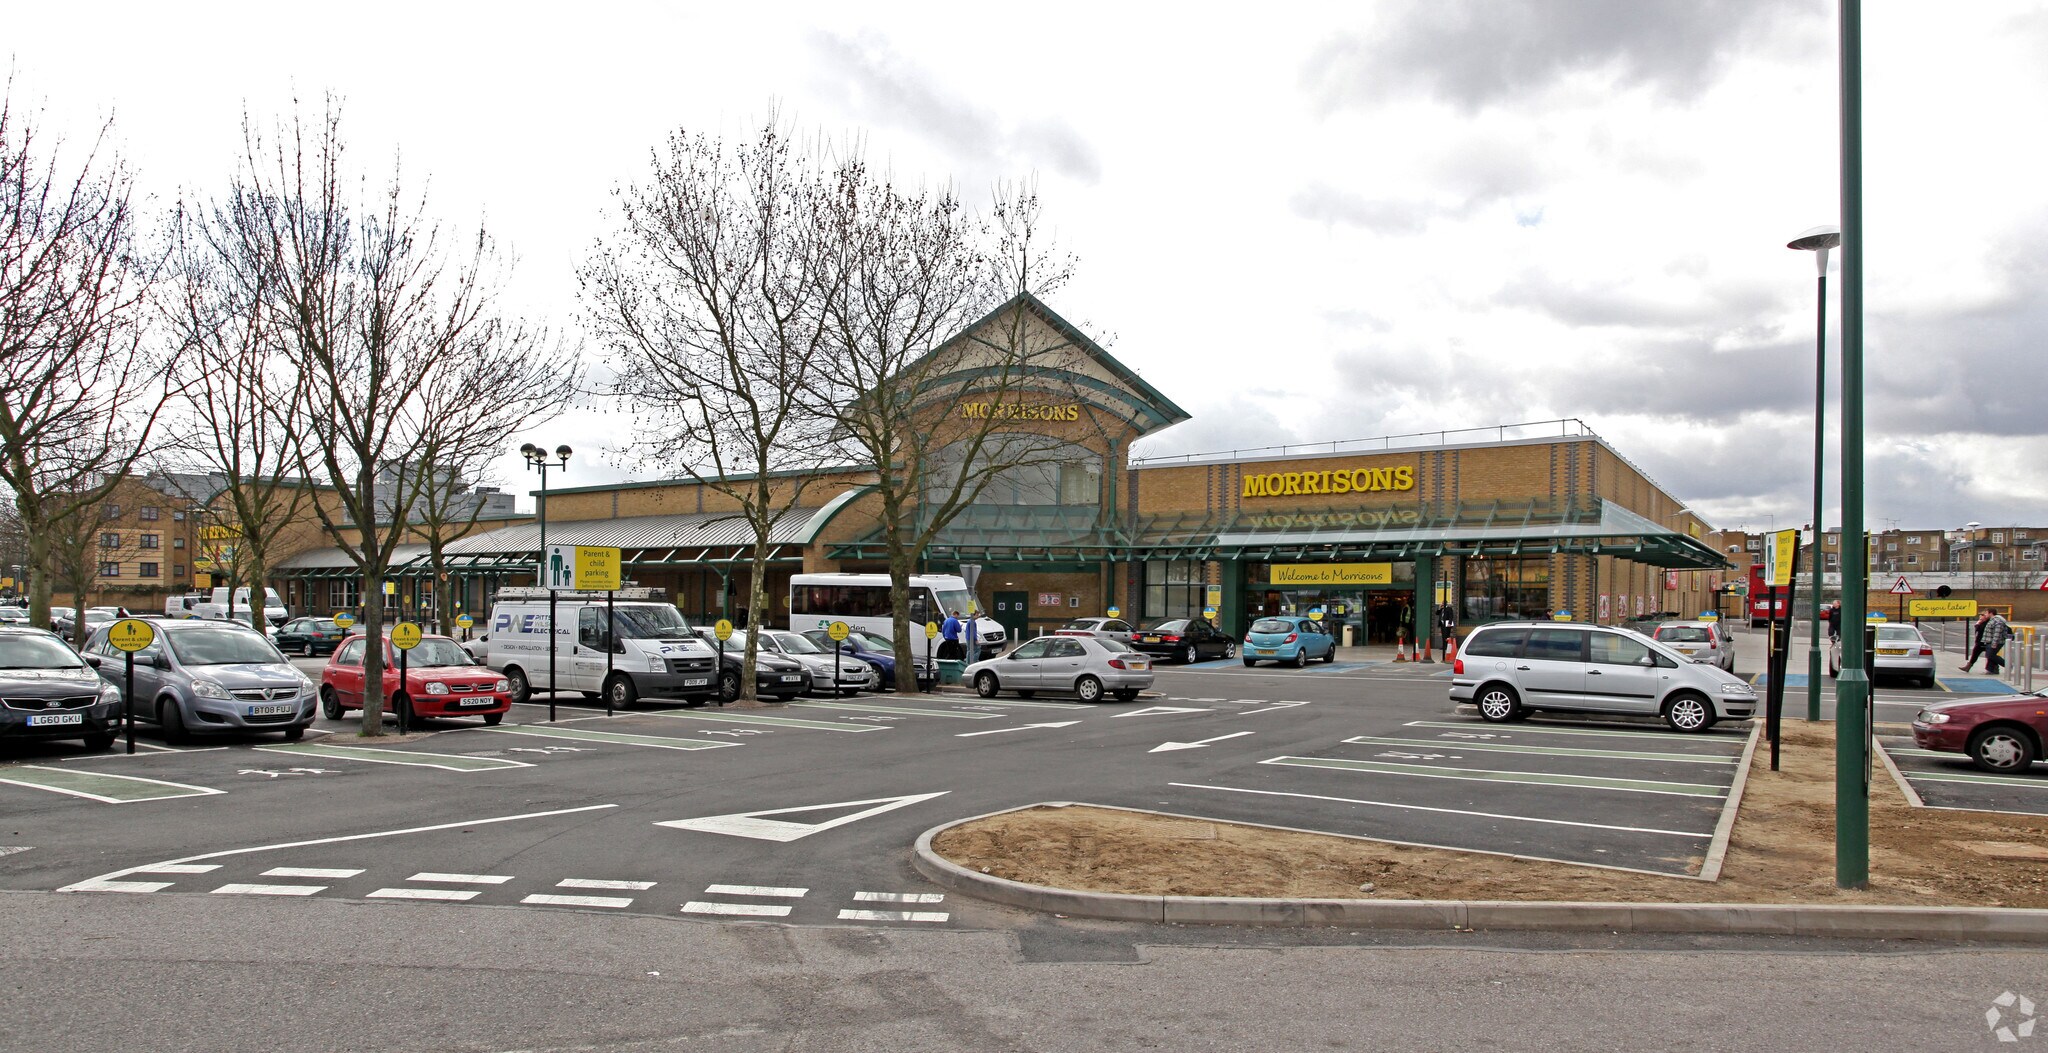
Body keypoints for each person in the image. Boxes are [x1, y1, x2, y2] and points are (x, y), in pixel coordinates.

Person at [1983, 609, 2013, 676]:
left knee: (1991, 655)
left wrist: (1994, 643)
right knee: (1990, 655)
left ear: (1991, 613)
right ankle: (1991, 670)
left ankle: (2008, 665)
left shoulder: (1998, 621)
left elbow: (1997, 633)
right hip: (1990, 641)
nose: (1985, 614)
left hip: (1997, 641)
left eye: (1986, 613)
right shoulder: (1992, 620)